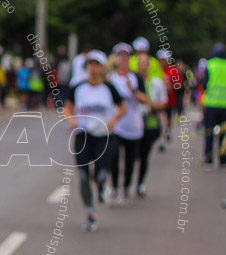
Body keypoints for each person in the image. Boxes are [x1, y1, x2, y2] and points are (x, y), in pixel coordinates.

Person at [64, 51, 126, 232]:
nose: (92, 68)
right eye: (90, 65)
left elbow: (123, 108)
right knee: (83, 176)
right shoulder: (78, 87)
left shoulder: (109, 88)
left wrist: (114, 119)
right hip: (83, 135)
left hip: (104, 136)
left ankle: (100, 185)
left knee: (99, 175)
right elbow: (67, 108)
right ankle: (90, 214)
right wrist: (70, 119)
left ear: (102, 67)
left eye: (96, 64)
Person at [107, 43, 145, 206]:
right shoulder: (110, 78)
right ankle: (114, 187)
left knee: (131, 159)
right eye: (120, 56)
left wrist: (133, 91)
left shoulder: (136, 78)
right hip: (116, 125)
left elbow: (146, 99)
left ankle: (126, 186)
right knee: (114, 157)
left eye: (126, 56)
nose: (123, 59)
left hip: (133, 125)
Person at [201, 44, 226, 166]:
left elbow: (204, 84)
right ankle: (223, 159)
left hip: (211, 104)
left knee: (209, 133)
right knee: (224, 134)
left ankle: (208, 158)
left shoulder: (209, 65)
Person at [136, 54, 167, 198]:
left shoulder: (156, 83)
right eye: (140, 63)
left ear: (148, 65)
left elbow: (164, 103)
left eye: (144, 63)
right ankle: (124, 185)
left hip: (150, 124)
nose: (142, 65)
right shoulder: (132, 81)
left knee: (144, 156)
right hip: (133, 125)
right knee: (131, 156)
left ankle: (140, 184)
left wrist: (150, 105)